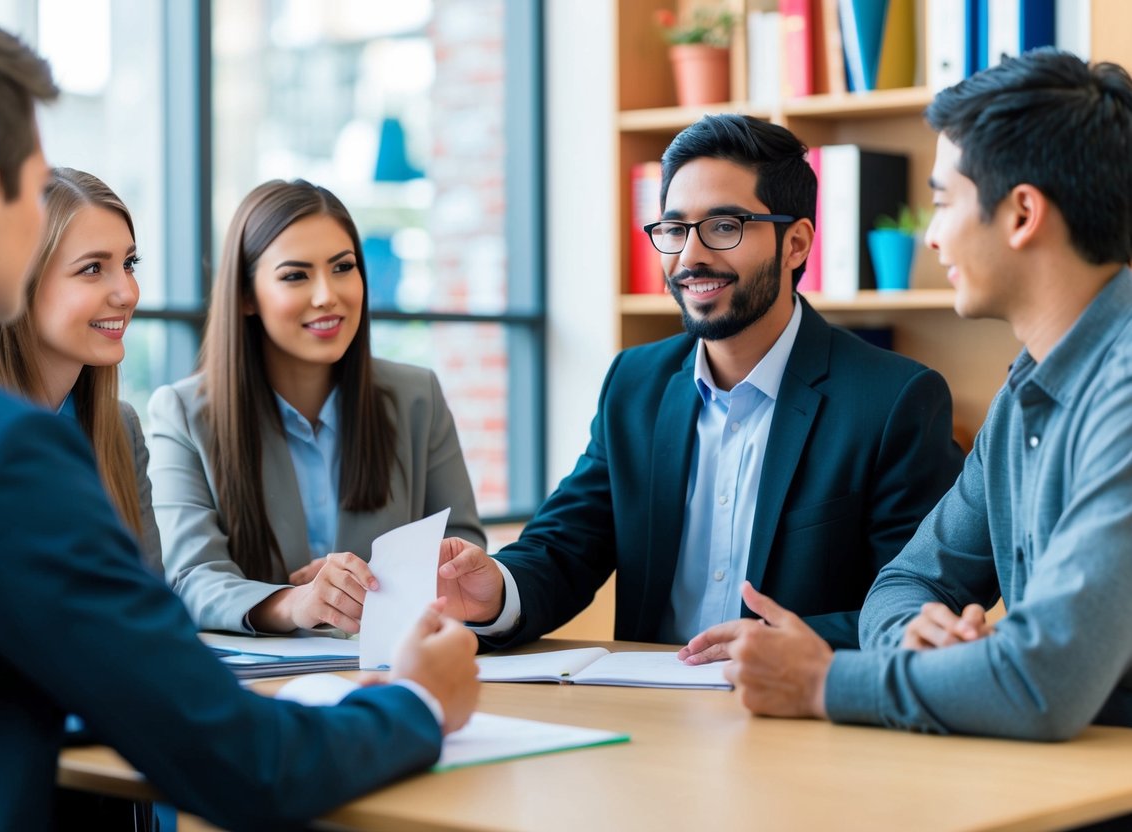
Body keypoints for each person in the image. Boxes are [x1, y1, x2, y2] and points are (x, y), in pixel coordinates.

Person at [0, 5, 478, 829]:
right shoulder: (1, 451)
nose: (125, 292)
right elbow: (239, 761)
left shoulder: (58, 435)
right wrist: (418, 703)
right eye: (33, 194)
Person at [680, 49, 1132, 741]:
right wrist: (917, 640)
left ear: (1020, 216)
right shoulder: (1023, 397)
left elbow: (1044, 682)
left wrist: (819, 682)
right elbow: (900, 586)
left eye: (944, 201)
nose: (930, 233)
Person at [436, 114, 963, 650]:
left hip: (800, 715)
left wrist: (788, 642)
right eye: (673, 229)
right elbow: (565, 545)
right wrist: (495, 591)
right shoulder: (635, 383)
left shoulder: (893, 400)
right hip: (653, 715)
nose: (690, 257)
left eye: (724, 226)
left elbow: (917, 606)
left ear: (796, 244)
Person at [147, 178, 485, 635]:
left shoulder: (417, 397)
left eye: (343, 267)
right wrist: (298, 602)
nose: (327, 294)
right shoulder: (182, 413)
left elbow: (460, 555)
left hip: (390, 669)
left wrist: (364, 586)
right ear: (246, 296)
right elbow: (190, 578)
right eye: (295, 275)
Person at [0, 167, 161, 573]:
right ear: (18, 283)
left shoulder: (119, 430)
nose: (128, 293)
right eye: (92, 268)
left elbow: (148, 604)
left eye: (129, 263)